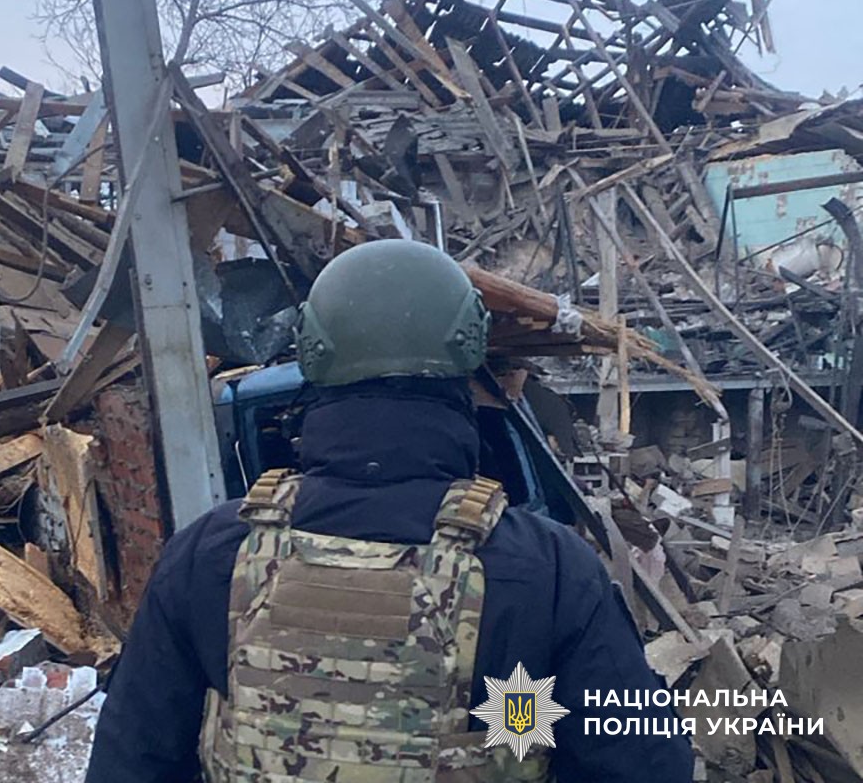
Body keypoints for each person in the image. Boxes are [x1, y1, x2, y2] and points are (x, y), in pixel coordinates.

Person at [86, 240, 693, 782]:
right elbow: (644, 765)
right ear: (469, 351)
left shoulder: (210, 555)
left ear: (313, 351)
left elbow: (130, 761)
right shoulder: (548, 570)